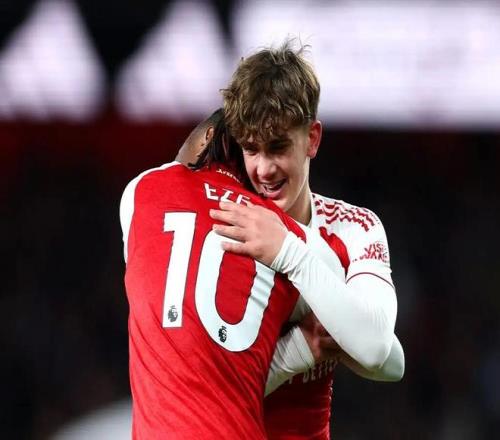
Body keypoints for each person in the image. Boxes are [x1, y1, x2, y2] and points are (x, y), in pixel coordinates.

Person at [119, 109, 362, 439]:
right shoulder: (289, 238)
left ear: (207, 137)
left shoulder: (142, 191)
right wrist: (304, 347)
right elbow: (372, 343)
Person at [205, 40, 404, 439]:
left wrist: (288, 251)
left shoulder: (353, 228)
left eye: (278, 147)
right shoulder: (223, 228)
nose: (264, 169)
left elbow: (384, 354)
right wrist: (301, 348)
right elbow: (210, 394)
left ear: (312, 138)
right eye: (251, 149)